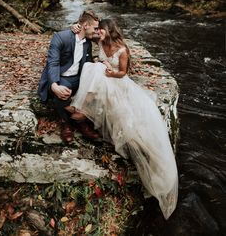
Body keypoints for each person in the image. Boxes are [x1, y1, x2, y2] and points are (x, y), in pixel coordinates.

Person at [67, 18, 178, 219]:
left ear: (109, 30)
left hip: (118, 82)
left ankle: (82, 109)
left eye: (101, 30)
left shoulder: (122, 50)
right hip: (105, 80)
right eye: (98, 30)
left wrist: (110, 72)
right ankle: (83, 107)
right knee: (94, 68)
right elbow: (84, 31)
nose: (98, 32)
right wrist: (73, 27)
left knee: (100, 72)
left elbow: (123, 73)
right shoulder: (101, 42)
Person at [37, 10, 100, 142]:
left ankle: (81, 120)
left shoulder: (88, 41)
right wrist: (54, 85)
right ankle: (68, 123)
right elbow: (52, 63)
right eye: (95, 28)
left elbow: (87, 64)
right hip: (61, 77)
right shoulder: (61, 37)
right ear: (85, 26)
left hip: (78, 77)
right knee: (63, 91)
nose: (96, 31)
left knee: (96, 88)